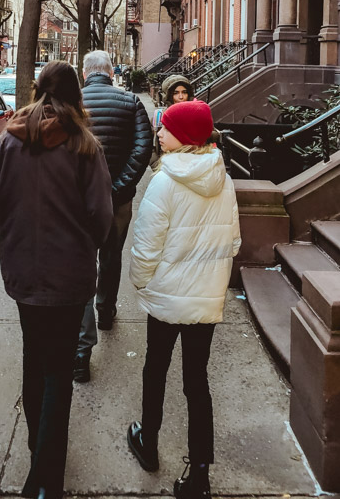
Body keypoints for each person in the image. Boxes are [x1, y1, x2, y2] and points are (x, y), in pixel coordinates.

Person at [0, 61, 113, 499]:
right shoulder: (85, 146)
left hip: (23, 276)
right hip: (69, 277)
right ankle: (47, 476)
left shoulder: (6, 143)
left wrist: (14, 235)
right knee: (58, 369)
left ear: (37, 90)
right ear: (76, 94)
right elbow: (103, 219)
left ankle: (39, 447)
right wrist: (81, 243)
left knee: (35, 361)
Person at [127, 100, 241, 499]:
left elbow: (145, 246)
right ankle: (201, 474)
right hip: (204, 300)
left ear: (185, 136)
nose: (158, 133)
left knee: (155, 369)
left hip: (166, 298)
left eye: (166, 128)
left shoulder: (164, 180)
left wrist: (141, 283)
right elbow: (235, 239)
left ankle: (149, 442)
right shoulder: (223, 178)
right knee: (197, 381)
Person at [74, 50, 153, 383]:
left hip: (77, 204)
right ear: (109, 71)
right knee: (110, 256)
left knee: (79, 266)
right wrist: (118, 188)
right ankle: (105, 311)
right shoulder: (131, 103)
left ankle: (81, 351)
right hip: (118, 202)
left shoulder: (73, 104)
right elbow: (142, 149)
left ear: (85, 72)